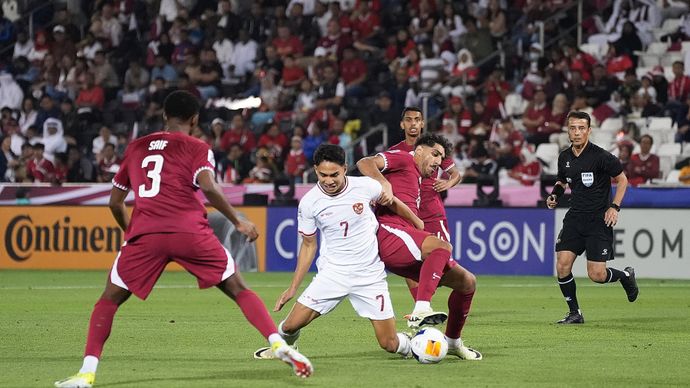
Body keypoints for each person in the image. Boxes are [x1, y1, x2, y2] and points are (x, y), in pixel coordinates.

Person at [54, 91, 313, 388]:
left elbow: (115, 202)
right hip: (189, 230)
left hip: (147, 232)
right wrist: (237, 221)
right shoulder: (197, 147)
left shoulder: (136, 147)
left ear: (164, 116)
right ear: (195, 119)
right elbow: (210, 188)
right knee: (238, 288)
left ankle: (86, 373)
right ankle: (277, 343)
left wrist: (133, 233)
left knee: (108, 301)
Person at [253, 144, 422, 360]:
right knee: (289, 326)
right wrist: (292, 288)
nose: (329, 180)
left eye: (334, 174)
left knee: (389, 343)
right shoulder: (309, 203)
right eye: (323, 175)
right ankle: (286, 348)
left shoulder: (365, 187)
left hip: (369, 276)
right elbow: (308, 245)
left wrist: (417, 223)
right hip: (332, 274)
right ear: (315, 170)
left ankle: (416, 345)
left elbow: (392, 202)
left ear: (344, 168)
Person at [358, 130, 482, 360]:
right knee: (441, 247)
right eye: (434, 154)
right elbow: (365, 163)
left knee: (467, 282)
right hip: (389, 230)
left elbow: (454, 174)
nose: (437, 162)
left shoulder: (418, 178)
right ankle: (421, 308)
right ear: (419, 150)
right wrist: (383, 183)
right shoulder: (403, 158)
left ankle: (453, 342)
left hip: (405, 235)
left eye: (440, 157)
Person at [387, 108, 480, 360]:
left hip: (432, 214)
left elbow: (455, 173)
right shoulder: (397, 153)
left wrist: (447, 183)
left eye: (417, 120)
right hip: (407, 219)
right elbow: (369, 165)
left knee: (445, 266)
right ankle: (425, 325)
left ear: (422, 123)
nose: (413, 124)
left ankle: (445, 337)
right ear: (402, 124)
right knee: (416, 274)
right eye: (409, 119)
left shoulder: (433, 150)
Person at [546, 111, 638, 325]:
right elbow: (562, 181)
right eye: (572, 128)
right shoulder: (565, 157)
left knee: (596, 274)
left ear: (588, 130)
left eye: (581, 128)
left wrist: (614, 207)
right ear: (567, 130)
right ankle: (574, 313)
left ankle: (625, 276)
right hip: (575, 218)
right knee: (562, 265)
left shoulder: (601, 156)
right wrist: (554, 195)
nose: (576, 133)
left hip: (598, 220)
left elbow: (623, 180)